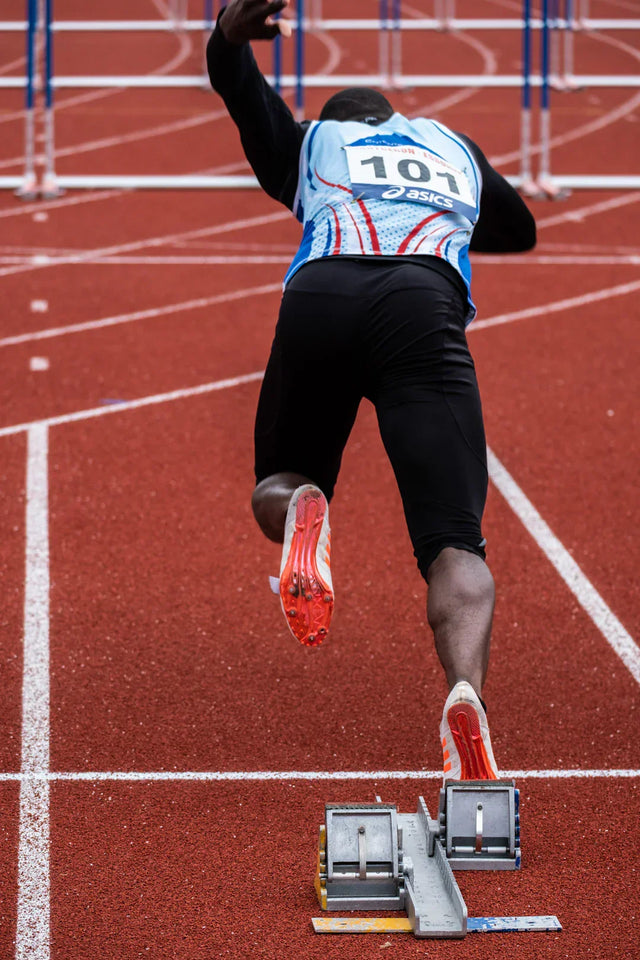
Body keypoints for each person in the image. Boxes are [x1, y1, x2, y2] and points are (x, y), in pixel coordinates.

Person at [207, 0, 536, 781]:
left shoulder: (310, 146)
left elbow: (238, 87)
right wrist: (450, 212)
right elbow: (519, 229)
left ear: (338, 124)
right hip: (423, 308)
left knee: (278, 480)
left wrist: (229, 28)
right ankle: (465, 695)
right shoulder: (453, 146)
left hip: (321, 296)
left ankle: (300, 511)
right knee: (455, 543)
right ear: (397, 118)